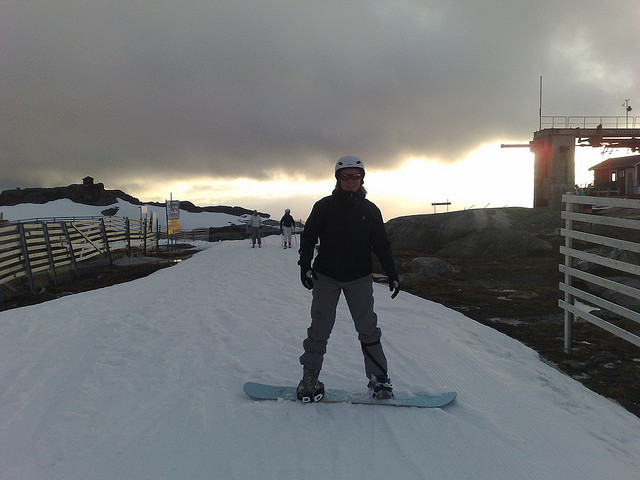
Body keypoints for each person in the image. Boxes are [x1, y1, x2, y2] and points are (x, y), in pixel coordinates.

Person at [296, 155, 400, 402]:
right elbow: (308, 237)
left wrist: (392, 273)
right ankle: (309, 378)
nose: (350, 181)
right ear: (338, 179)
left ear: (362, 179)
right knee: (319, 329)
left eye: (355, 176)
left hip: (359, 278)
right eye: (345, 176)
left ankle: (379, 379)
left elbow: (381, 244)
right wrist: (304, 265)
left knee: (368, 328)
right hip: (326, 276)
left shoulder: (370, 210)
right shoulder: (324, 207)